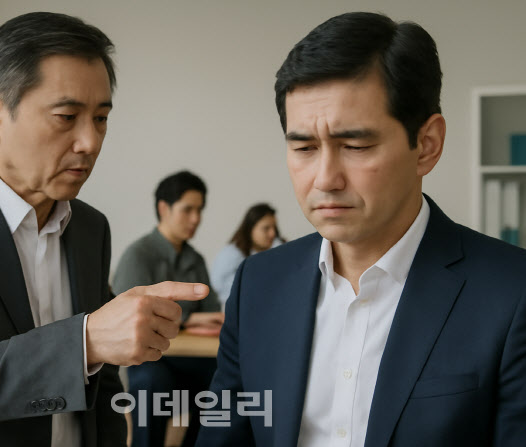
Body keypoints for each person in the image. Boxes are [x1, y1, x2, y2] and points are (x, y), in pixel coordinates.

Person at [0, 12, 211, 447]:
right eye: (66, 116)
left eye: (101, 118)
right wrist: (84, 342)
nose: (90, 142)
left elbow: (102, 388)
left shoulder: (90, 227)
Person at [196, 12, 526, 447]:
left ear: (426, 145)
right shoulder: (258, 284)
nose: (325, 179)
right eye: (304, 147)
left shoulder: (511, 292)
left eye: (355, 145)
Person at [112, 170, 223, 447]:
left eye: (199, 210)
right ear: (164, 208)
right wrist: (191, 318)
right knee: (151, 382)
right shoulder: (138, 255)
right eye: (188, 210)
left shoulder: (195, 259)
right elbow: (129, 319)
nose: (196, 219)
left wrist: (191, 319)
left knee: (223, 378)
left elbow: (213, 313)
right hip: (150, 359)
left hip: (189, 357)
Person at [210, 203, 283, 304]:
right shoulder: (231, 254)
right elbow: (219, 288)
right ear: (250, 229)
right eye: (266, 228)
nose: (272, 234)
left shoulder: (276, 251)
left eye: (274, 228)